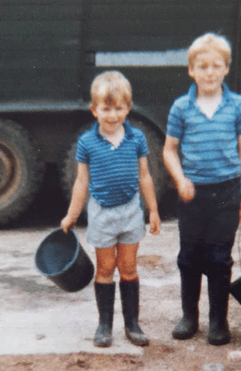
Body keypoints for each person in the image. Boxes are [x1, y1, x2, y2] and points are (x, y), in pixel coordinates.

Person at [163, 33, 241, 346]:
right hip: (193, 196)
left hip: (227, 195)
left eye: (216, 66)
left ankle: (219, 320)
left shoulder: (238, 106)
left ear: (227, 68)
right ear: (191, 70)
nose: (210, 73)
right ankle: (190, 316)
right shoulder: (181, 108)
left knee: (219, 258)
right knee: (189, 257)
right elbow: (169, 150)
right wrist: (180, 179)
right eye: (203, 66)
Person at [61, 71, 161, 348]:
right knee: (105, 268)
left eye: (119, 108)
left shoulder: (137, 138)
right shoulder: (87, 143)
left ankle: (132, 324)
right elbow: (82, 182)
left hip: (131, 212)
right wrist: (71, 214)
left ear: (128, 108)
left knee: (128, 267)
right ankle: (104, 324)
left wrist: (152, 209)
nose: (113, 115)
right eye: (106, 109)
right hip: (102, 214)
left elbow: (145, 176)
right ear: (94, 110)